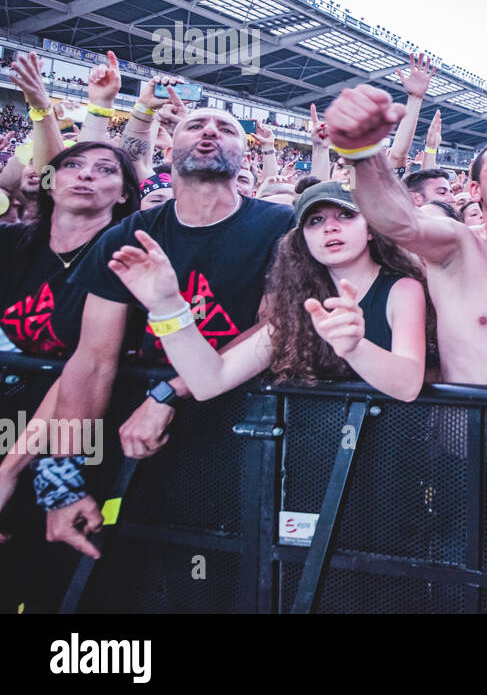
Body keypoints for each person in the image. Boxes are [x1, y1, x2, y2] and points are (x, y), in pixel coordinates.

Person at [0, 107, 295, 556]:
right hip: (134, 436)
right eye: (194, 125)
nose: (210, 131)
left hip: (241, 426)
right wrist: (61, 478)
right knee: (121, 563)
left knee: (217, 569)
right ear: (170, 148)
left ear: (246, 157)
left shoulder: (281, 226)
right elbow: (92, 360)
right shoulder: (127, 234)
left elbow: (276, 327)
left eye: (228, 129)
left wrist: (169, 393)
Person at [320, 77, 487, 416]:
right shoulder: (458, 245)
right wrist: (360, 154)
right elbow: (398, 220)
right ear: (474, 190)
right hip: (462, 453)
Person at [103, 180, 427, 402]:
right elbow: (209, 381)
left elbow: (408, 385)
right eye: (315, 220)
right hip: (309, 467)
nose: (330, 227)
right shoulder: (301, 304)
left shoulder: (402, 289)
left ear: (371, 229)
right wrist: (166, 307)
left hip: (387, 464)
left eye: (346, 215)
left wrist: (354, 347)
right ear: (301, 239)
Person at [0, 143, 140, 358]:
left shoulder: (130, 255)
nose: (85, 174)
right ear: (48, 185)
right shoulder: (12, 241)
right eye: (72, 165)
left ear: (124, 193)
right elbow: (20, 181)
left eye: (105, 169)